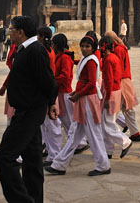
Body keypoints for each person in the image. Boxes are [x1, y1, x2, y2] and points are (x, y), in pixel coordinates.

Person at [0, 15, 58, 203]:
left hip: (30, 113)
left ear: (21, 32)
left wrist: (52, 102)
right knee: (32, 162)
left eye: (11, 29)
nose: (9, 32)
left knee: (4, 157)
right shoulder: (25, 49)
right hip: (26, 110)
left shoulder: (35, 50)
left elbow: (48, 81)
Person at [45, 34, 110, 177]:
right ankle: (59, 164)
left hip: (89, 100)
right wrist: (77, 92)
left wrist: (78, 94)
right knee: (74, 134)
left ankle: (103, 164)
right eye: (82, 46)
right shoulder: (85, 59)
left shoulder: (92, 61)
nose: (84, 49)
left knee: (93, 134)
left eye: (87, 46)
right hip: (83, 99)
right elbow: (83, 81)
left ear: (93, 48)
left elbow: (92, 83)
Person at [98, 36, 132, 160]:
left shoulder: (108, 60)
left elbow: (108, 80)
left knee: (107, 124)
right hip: (116, 91)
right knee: (108, 121)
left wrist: (106, 98)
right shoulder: (115, 57)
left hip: (111, 92)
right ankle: (108, 150)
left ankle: (125, 141)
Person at [105, 31, 140, 142]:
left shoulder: (118, 49)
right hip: (124, 80)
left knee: (114, 110)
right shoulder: (119, 47)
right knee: (127, 109)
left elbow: (117, 67)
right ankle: (135, 133)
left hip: (121, 81)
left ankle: (113, 136)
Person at [37, 26, 63, 166]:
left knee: (52, 124)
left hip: (48, 89)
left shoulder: (46, 52)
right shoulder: (48, 50)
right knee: (46, 124)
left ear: (41, 36)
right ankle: (50, 151)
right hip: (47, 89)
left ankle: (54, 154)